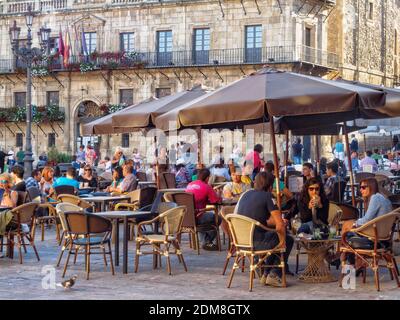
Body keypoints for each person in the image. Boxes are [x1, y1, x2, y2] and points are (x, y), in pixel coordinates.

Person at [234, 172, 294, 286]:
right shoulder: (268, 196)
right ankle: (274, 274)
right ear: (270, 186)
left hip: (241, 242)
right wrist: (282, 227)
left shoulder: (246, 194)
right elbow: (279, 224)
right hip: (257, 243)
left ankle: (266, 274)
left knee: (274, 239)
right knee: (286, 239)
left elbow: (259, 218)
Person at [185, 168, 221, 251]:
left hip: (186, 217)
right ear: (208, 178)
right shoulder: (207, 187)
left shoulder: (189, 185)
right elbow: (216, 201)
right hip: (198, 216)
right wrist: (218, 194)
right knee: (218, 219)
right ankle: (206, 241)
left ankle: (205, 242)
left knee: (205, 218)